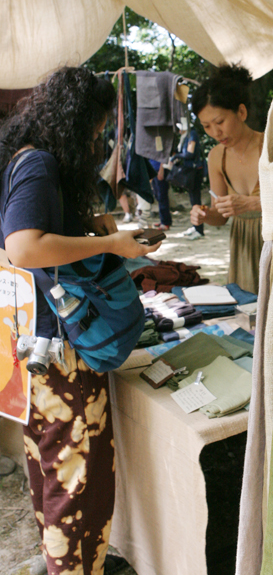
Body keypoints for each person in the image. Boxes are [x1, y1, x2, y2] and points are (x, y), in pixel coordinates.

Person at [0, 67, 161, 575]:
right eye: (96, 130)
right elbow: (23, 246)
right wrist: (111, 243)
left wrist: (86, 226)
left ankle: (62, 565)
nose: (98, 140)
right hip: (59, 352)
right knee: (78, 486)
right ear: (76, 123)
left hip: (30, 343)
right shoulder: (40, 164)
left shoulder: (19, 157)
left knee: (53, 474)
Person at [190, 64, 263, 294]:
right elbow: (221, 217)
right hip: (243, 251)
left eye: (220, 122)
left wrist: (252, 204)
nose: (215, 132)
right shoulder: (216, 157)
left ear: (241, 112)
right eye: (206, 126)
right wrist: (204, 215)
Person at [173, 125, 206, 240]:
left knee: (196, 200)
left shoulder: (192, 134)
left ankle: (199, 230)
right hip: (191, 171)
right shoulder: (188, 135)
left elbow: (189, 154)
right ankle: (195, 226)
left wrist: (177, 156)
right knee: (193, 200)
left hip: (195, 172)